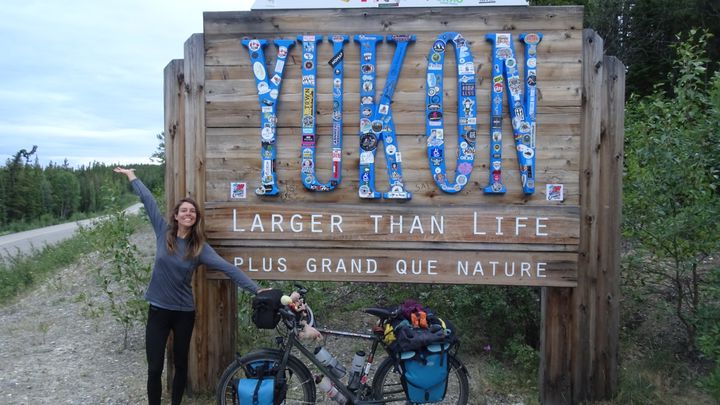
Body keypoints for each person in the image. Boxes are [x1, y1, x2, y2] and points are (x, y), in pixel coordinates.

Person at [114, 167, 260, 405]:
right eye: (184, 210)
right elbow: (148, 200)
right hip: (158, 311)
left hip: (183, 313)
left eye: (192, 211)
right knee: (154, 367)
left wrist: (257, 289)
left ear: (196, 218)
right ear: (176, 215)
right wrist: (132, 177)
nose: (188, 214)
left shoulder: (199, 248)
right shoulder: (163, 233)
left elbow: (228, 268)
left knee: (181, 364)